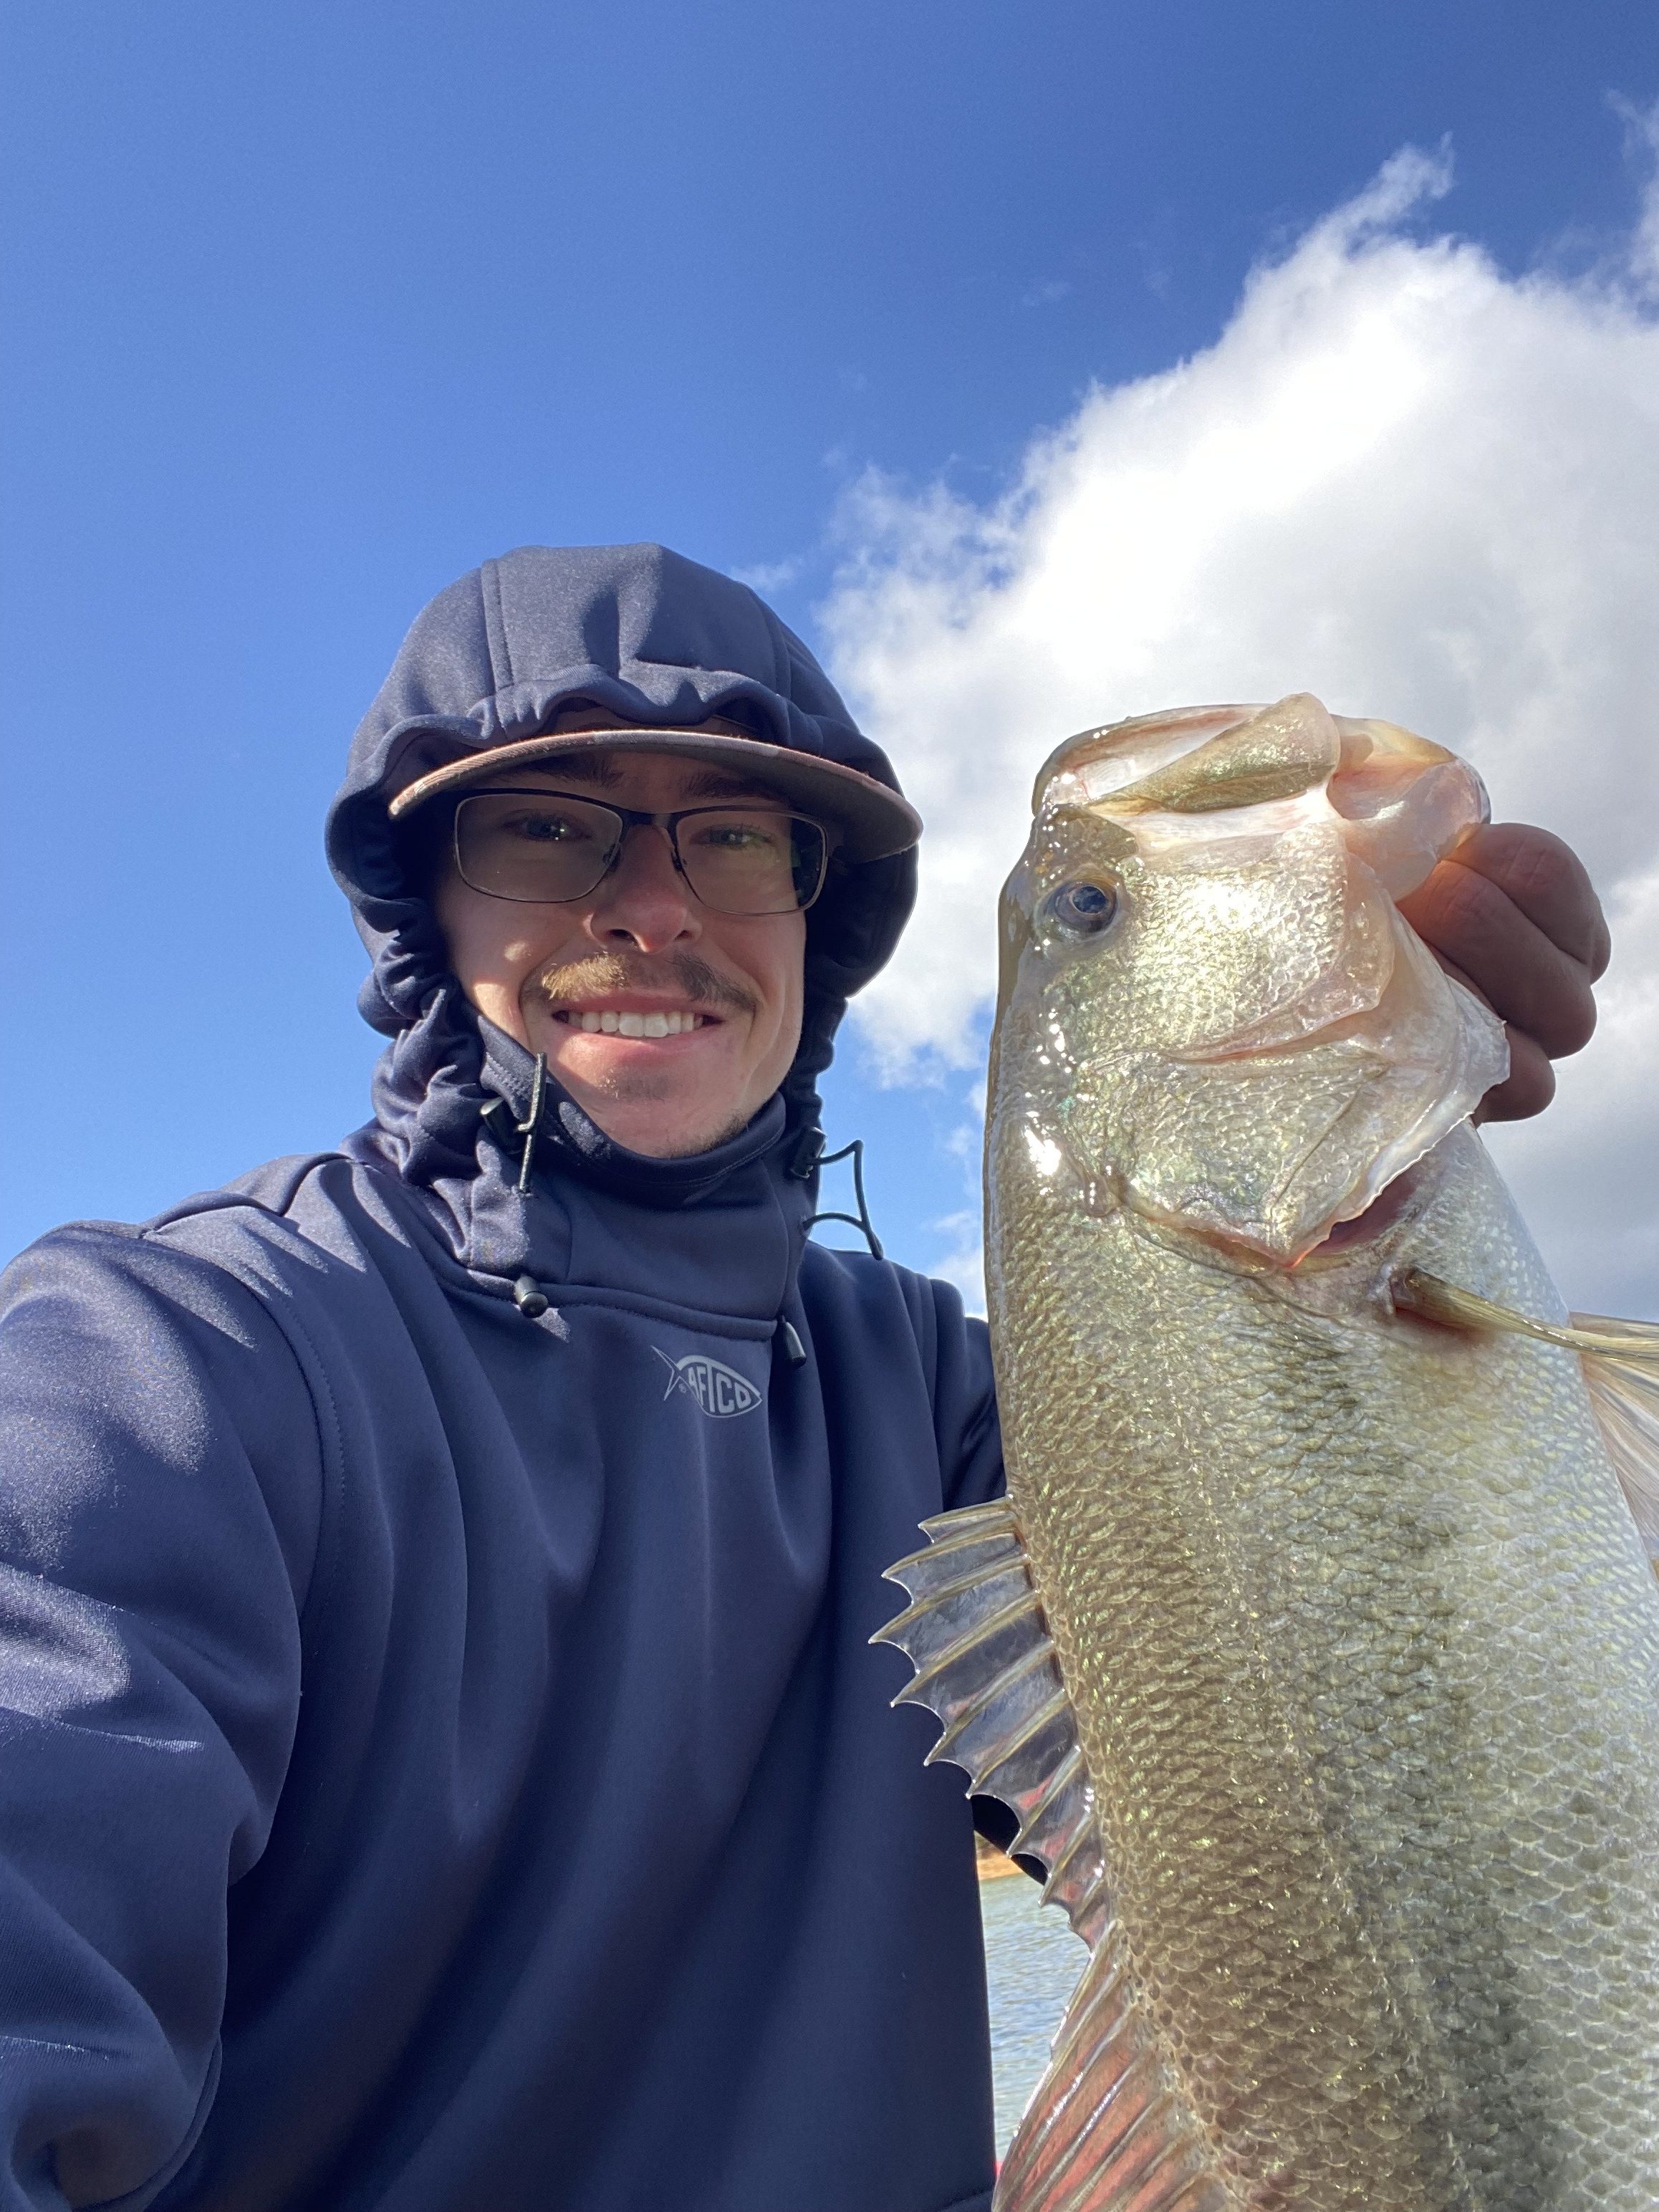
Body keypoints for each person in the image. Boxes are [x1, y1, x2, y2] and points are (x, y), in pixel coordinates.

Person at [0, 543, 1609, 2212]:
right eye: (545, 823)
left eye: (737, 834)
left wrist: (1400, 1135)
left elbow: (1399, 1750)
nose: (653, 904)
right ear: (426, 899)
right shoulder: (165, 1361)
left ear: (814, 919)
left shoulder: (949, 1397)